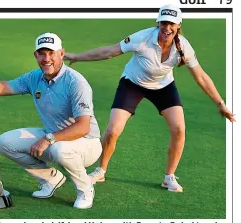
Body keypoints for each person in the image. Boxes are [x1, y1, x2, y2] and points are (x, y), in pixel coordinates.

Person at [64, 4, 235, 193]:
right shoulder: (143, 38)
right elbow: (108, 52)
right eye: (163, 23)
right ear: (158, 22)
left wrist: (221, 104)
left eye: (171, 24)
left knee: (179, 129)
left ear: (178, 25)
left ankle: (169, 177)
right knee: (113, 130)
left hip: (163, 87)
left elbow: (200, 76)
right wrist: (76, 56)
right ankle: (100, 170)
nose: (166, 28)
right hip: (132, 84)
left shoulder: (183, 47)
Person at [0, 32, 102, 208]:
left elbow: (83, 127)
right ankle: (50, 179)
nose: (46, 59)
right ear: (35, 55)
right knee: (5, 143)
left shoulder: (76, 82)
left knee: (60, 149)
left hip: (87, 144)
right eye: (42, 53)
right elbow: (3, 88)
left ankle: (85, 189)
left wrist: (48, 139)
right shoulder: (34, 77)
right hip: (53, 139)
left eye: (51, 53)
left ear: (61, 54)